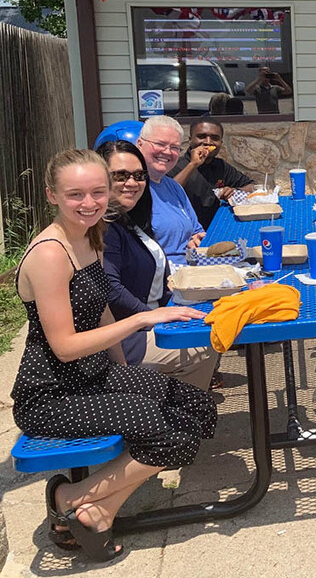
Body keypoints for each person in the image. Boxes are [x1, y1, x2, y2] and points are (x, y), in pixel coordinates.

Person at [11, 149, 216, 562]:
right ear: (52, 195)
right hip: (52, 394)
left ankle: (91, 506)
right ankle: (75, 501)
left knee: (197, 407)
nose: (89, 203)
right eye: (75, 195)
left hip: (95, 375)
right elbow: (64, 347)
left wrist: (127, 374)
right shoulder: (50, 254)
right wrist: (144, 320)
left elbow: (102, 306)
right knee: (177, 434)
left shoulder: (91, 235)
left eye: (97, 193)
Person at [98, 140, 220, 390]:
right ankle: (178, 416)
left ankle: (177, 406)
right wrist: (152, 316)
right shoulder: (104, 227)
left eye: (138, 175)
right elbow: (110, 288)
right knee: (203, 347)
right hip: (125, 333)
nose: (131, 183)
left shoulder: (133, 219)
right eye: (120, 175)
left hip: (148, 315)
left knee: (213, 318)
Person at [135, 115, 205, 265]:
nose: (167, 152)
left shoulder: (174, 187)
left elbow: (196, 229)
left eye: (174, 147)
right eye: (160, 144)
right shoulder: (132, 190)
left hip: (191, 270)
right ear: (140, 144)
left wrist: (196, 239)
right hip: (162, 278)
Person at [168, 117, 256, 229]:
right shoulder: (175, 166)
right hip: (187, 234)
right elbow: (168, 195)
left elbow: (252, 186)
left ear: (221, 143)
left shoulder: (220, 166)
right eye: (201, 136)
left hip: (217, 227)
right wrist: (193, 164)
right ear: (190, 140)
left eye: (215, 138)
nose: (208, 142)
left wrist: (234, 191)